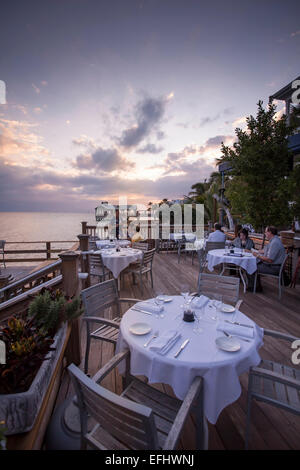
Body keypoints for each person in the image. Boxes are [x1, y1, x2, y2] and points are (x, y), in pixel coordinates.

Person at [247, 226, 286, 292]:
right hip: (272, 265)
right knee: (252, 264)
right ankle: (256, 285)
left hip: (274, 268)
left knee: (250, 266)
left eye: (265, 232)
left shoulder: (275, 243)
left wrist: (258, 255)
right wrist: (253, 251)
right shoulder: (274, 240)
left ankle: (255, 287)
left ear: (270, 232)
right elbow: (264, 251)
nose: (265, 234)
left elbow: (269, 259)